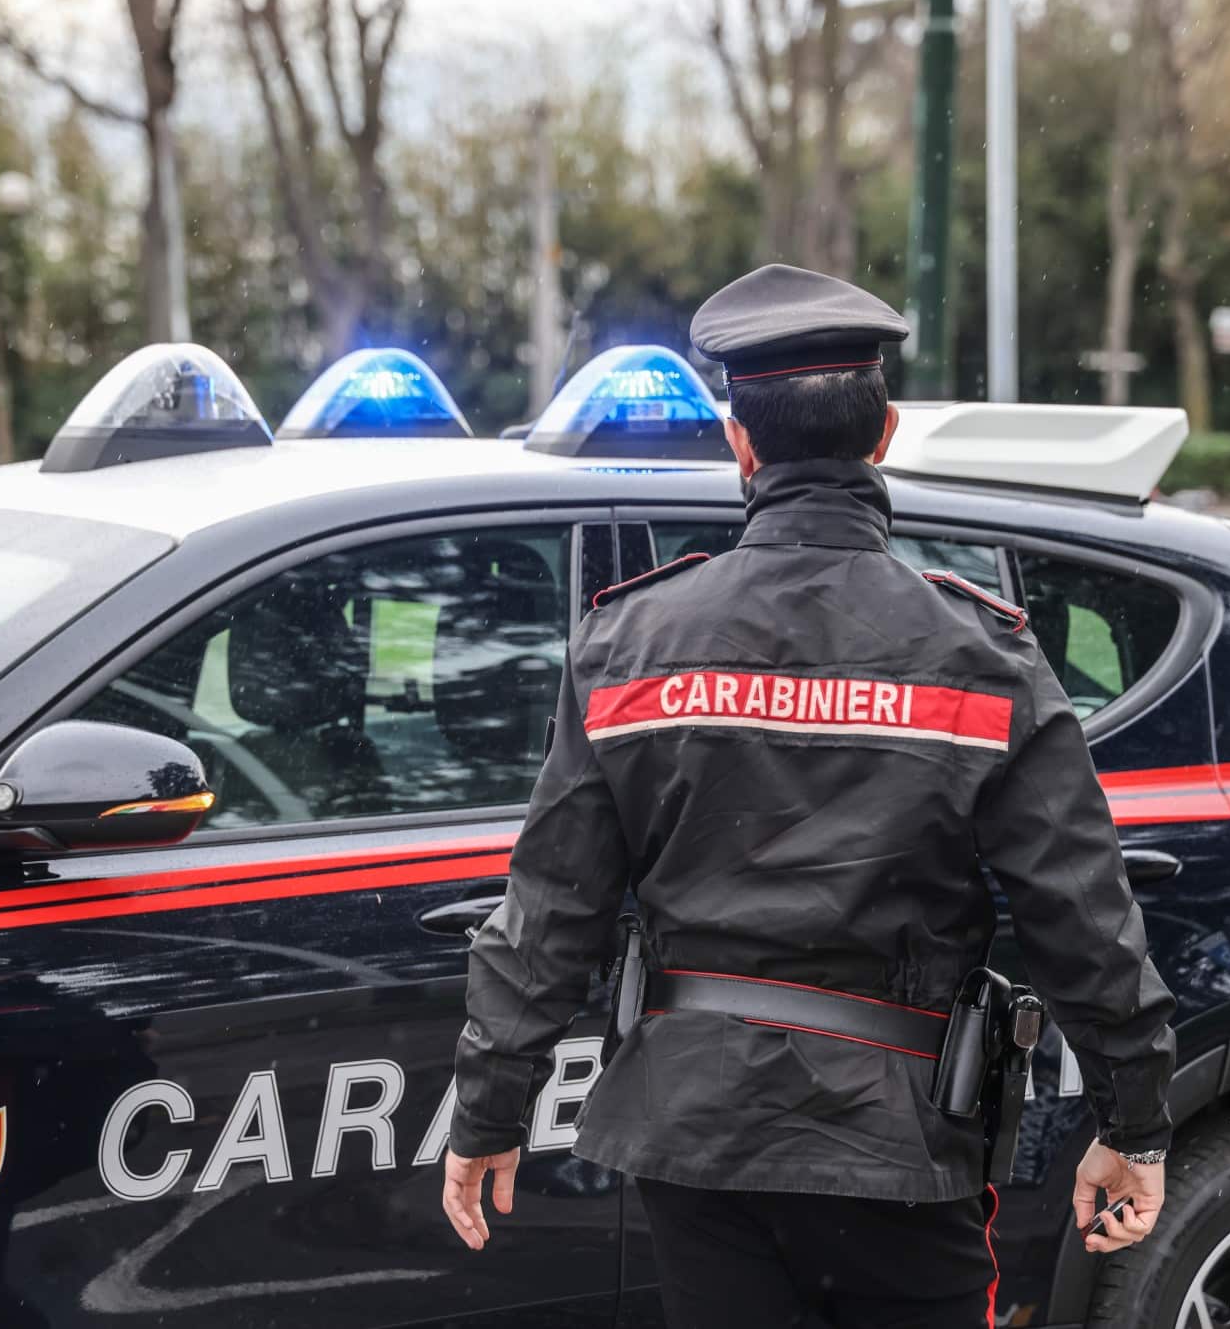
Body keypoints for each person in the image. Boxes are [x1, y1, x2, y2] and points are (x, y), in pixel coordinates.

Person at [443, 263, 1177, 1328]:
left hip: (696, 1143)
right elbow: (1081, 918)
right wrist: (1134, 1120)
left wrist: (487, 1109)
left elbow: (550, 911)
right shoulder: (983, 661)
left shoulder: (627, 646)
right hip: (897, 1146)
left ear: (739, 444)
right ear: (884, 435)